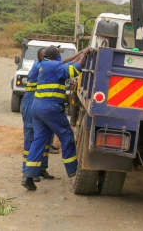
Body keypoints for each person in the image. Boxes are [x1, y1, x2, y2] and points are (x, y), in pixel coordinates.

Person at [22, 46, 92, 191]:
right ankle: (73, 171)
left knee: (39, 140)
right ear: (55, 56)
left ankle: (28, 175)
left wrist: (79, 53)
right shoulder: (55, 66)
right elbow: (76, 69)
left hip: (37, 108)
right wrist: (84, 54)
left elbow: (64, 63)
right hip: (51, 108)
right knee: (66, 136)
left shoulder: (42, 64)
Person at [21, 47, 53, 182]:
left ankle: (41, 168)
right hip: (31, 103)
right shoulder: (39, 66)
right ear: (42, 58)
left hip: (42, 104)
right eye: (48, 56)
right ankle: (28, 171)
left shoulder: (45, 65)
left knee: (46, 138)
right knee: (31, 138)